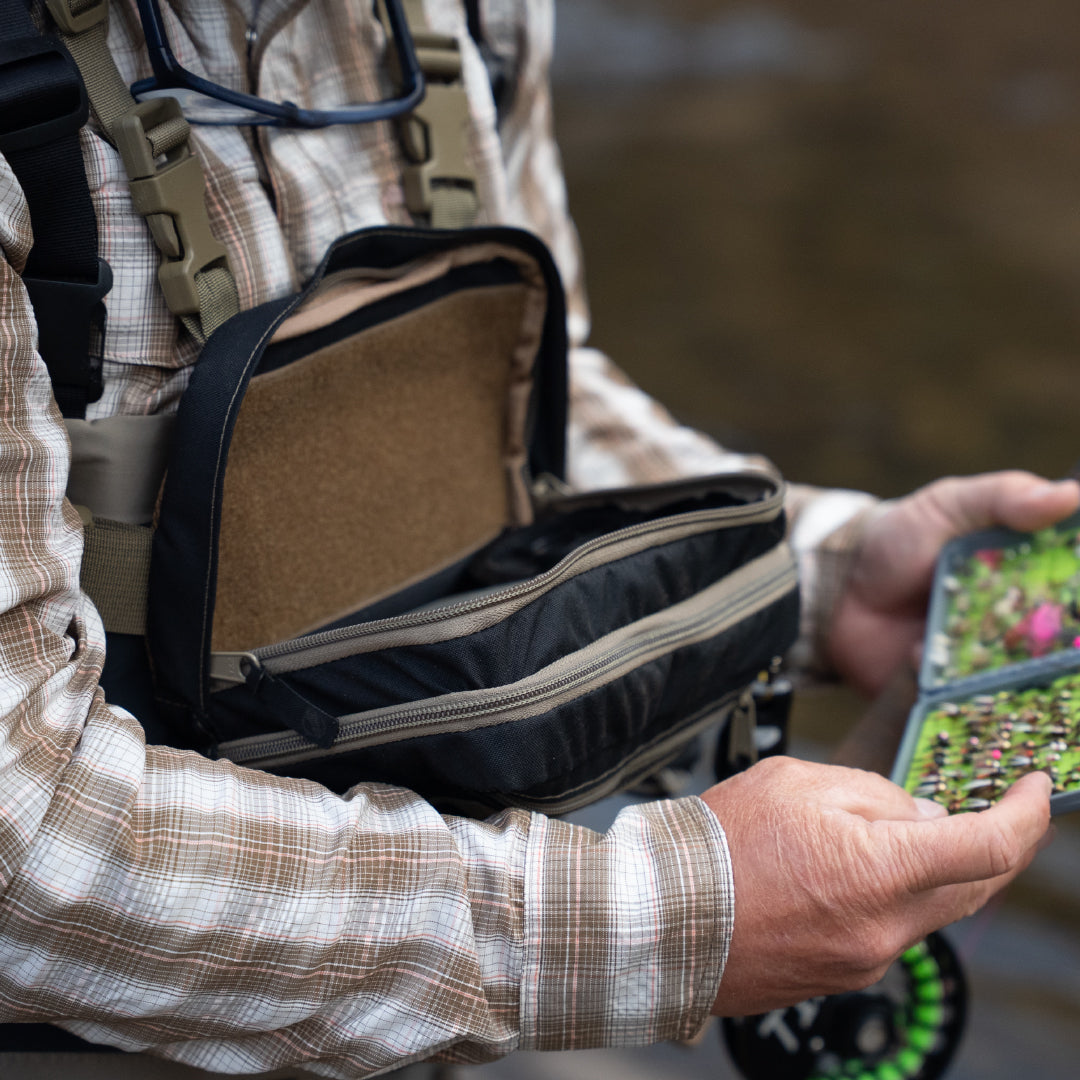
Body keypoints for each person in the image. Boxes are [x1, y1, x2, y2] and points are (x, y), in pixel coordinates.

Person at [0, 0, 1072, 1076]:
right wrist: (662, 923)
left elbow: (529, 415)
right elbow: (23, 842)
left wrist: (823, 573)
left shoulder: (476, 13)